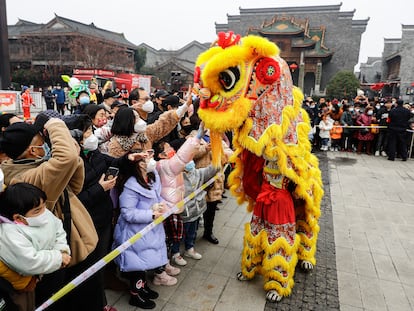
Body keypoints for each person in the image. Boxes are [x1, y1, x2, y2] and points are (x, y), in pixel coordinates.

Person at [0, 117, 98, 311]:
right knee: (62, 298)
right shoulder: (24, 179)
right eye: (41, 142)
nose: (45, 145)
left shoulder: (34, 166)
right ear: (31, 150)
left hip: (69, 239)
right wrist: (54, 124)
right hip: (56, 250)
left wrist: (71, 161)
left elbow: (74, 186)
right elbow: (67, 158)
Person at [112, 150, 175, 309]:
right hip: (135, 232)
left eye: (149, 158)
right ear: (136, 165)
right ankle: (135, 294)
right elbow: (128, 213)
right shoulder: (130, 186)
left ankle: (143, 287)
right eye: (144, 160)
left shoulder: (152, 177)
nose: (149, 161)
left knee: (144, 262)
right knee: (137, 266)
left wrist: (161, 205)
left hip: (150, 230)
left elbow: (157, 196)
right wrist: (151, 214)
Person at [0, 183, 71, 311]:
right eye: (38, 210)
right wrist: (58, 258)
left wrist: (62, 249)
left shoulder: (39, 213)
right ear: (18, 218)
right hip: (29, 282)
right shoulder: (9, 234)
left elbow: (58, 228)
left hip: (51, 269)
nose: (44, 212)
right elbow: (29, 261)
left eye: (44, 206)